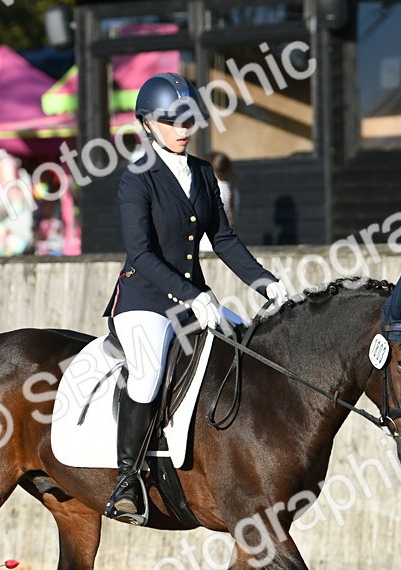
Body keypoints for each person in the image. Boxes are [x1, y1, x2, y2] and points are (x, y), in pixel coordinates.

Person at [102, 72, 289, 525]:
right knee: (147, 376)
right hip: (145, 300)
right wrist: (191, 294)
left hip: (193, 299)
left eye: (188, 120)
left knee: (245, 345)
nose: (183, 129)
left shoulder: (203, 173)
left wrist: (263, 281)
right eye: (171, 121)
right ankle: (128, 481)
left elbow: (222, 238)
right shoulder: (137, 178)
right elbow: (141, 253)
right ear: (147, 124)